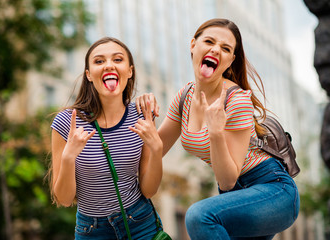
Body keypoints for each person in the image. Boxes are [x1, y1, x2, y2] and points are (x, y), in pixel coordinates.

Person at [136, 18, 300, 240]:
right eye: (209, 41)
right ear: (193, 45)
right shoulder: (184, 97)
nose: (215, 50)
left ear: (231, 60)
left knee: (199, 216)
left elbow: (227, 180)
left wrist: (215, 133)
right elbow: (154, 148)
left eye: (225, 48)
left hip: (272, 190)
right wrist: (141, 110)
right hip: (234, 198)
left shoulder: (237, 100)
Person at [49, 37, 164, 240]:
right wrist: (68, 157)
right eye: (99, 61)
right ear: (89, 75)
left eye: (117, 59)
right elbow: (64, 199)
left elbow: (148, 190)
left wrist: (156, 149)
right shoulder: (67, 122)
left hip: (139, 223)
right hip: (91, 231)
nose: (109, 65)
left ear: (129, 71)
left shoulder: (142, 115)